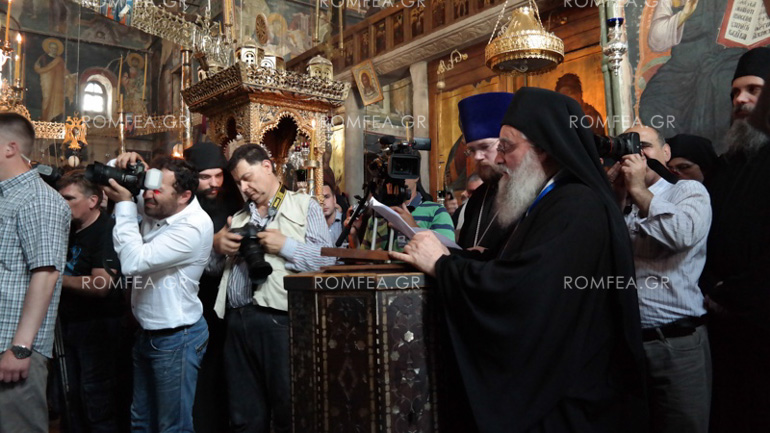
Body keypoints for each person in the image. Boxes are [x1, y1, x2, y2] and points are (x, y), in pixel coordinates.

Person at [391, 88, 647, 433]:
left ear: (544, 148)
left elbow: (524, 292)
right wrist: (466, 260)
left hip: (570, 400)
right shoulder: (552, 200)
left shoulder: (576, 205)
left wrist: (443, 265)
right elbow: (520, 269)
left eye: (506, 147)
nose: (498, 159)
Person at [212, 144, 336, 432]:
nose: (243, 188)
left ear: (267, 166)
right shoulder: (238, 217)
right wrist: (216, 248)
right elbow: (211, 271)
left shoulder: (305, 205)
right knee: (243, 416)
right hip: (236, 321)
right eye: (238, 183)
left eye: (247, 178)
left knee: (287, 408)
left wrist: (286, 246)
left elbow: (327, 261)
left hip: (280, 320)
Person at [608, 125, 711, 433]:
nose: (636, 154)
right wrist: (615, 197)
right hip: (623, 345)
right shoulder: (618, 199)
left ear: (665, 153)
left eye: (644, 146)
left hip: (676, 345)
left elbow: (682, 235)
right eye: (627, 146)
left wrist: (640, 191)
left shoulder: (688, 191)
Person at [102, 153, 213, 432]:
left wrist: (125, 205)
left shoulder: (194, 226)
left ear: (184, 196)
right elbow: (109, 176)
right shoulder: (159, 202)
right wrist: (123, 163)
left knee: (172, 427)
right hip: (147, 332)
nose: (147, 196)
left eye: (157, 191)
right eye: (147, 187)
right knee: (141, 422)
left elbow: (133, 262)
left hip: (177, 338)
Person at [702, 50, 770, 433]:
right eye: (735, 93)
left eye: (753, 90)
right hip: (722, 332)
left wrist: (732, 294)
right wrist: (711, 288)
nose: (740, 100)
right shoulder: (726, 166)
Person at [0, 112, 70, 432]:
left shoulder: (39, 199)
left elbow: (46, 274)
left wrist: (20, 348)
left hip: (12, 345)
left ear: (10, 148)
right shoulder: (7, 195)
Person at [55, 170, 127, 432]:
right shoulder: (69, 229)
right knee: (70, 399)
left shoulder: (107, 230)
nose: (62, 204)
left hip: (98, 327)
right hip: (69, 324)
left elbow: (101, 284)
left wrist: (54, 281)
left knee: (96, 400)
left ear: (93, 201)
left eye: (69, 198)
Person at [183, 139, 242, 433]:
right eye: (205, 177)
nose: (214, 183)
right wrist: (212, 245)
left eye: (219, 175)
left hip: (229, 308)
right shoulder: (182, 206)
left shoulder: (233, 202)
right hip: (194, 306)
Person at [453, 92, 514, 252]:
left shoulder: (526, 194)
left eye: (485, 147)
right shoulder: (478, 196)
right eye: (472, 150)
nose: (477, 157)